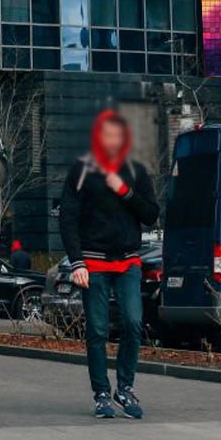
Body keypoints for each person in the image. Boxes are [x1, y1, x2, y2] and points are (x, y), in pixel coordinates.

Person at [58, 109, 160, 419]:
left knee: (132, 322)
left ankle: (124, 388)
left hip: (128, 261)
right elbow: (68, 218)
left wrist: (125, 192)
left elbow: (151, 214)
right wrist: (77, 263)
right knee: (98, 329)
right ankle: (101, 393)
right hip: (93, 262)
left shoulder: (136, 170)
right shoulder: (82, 171)